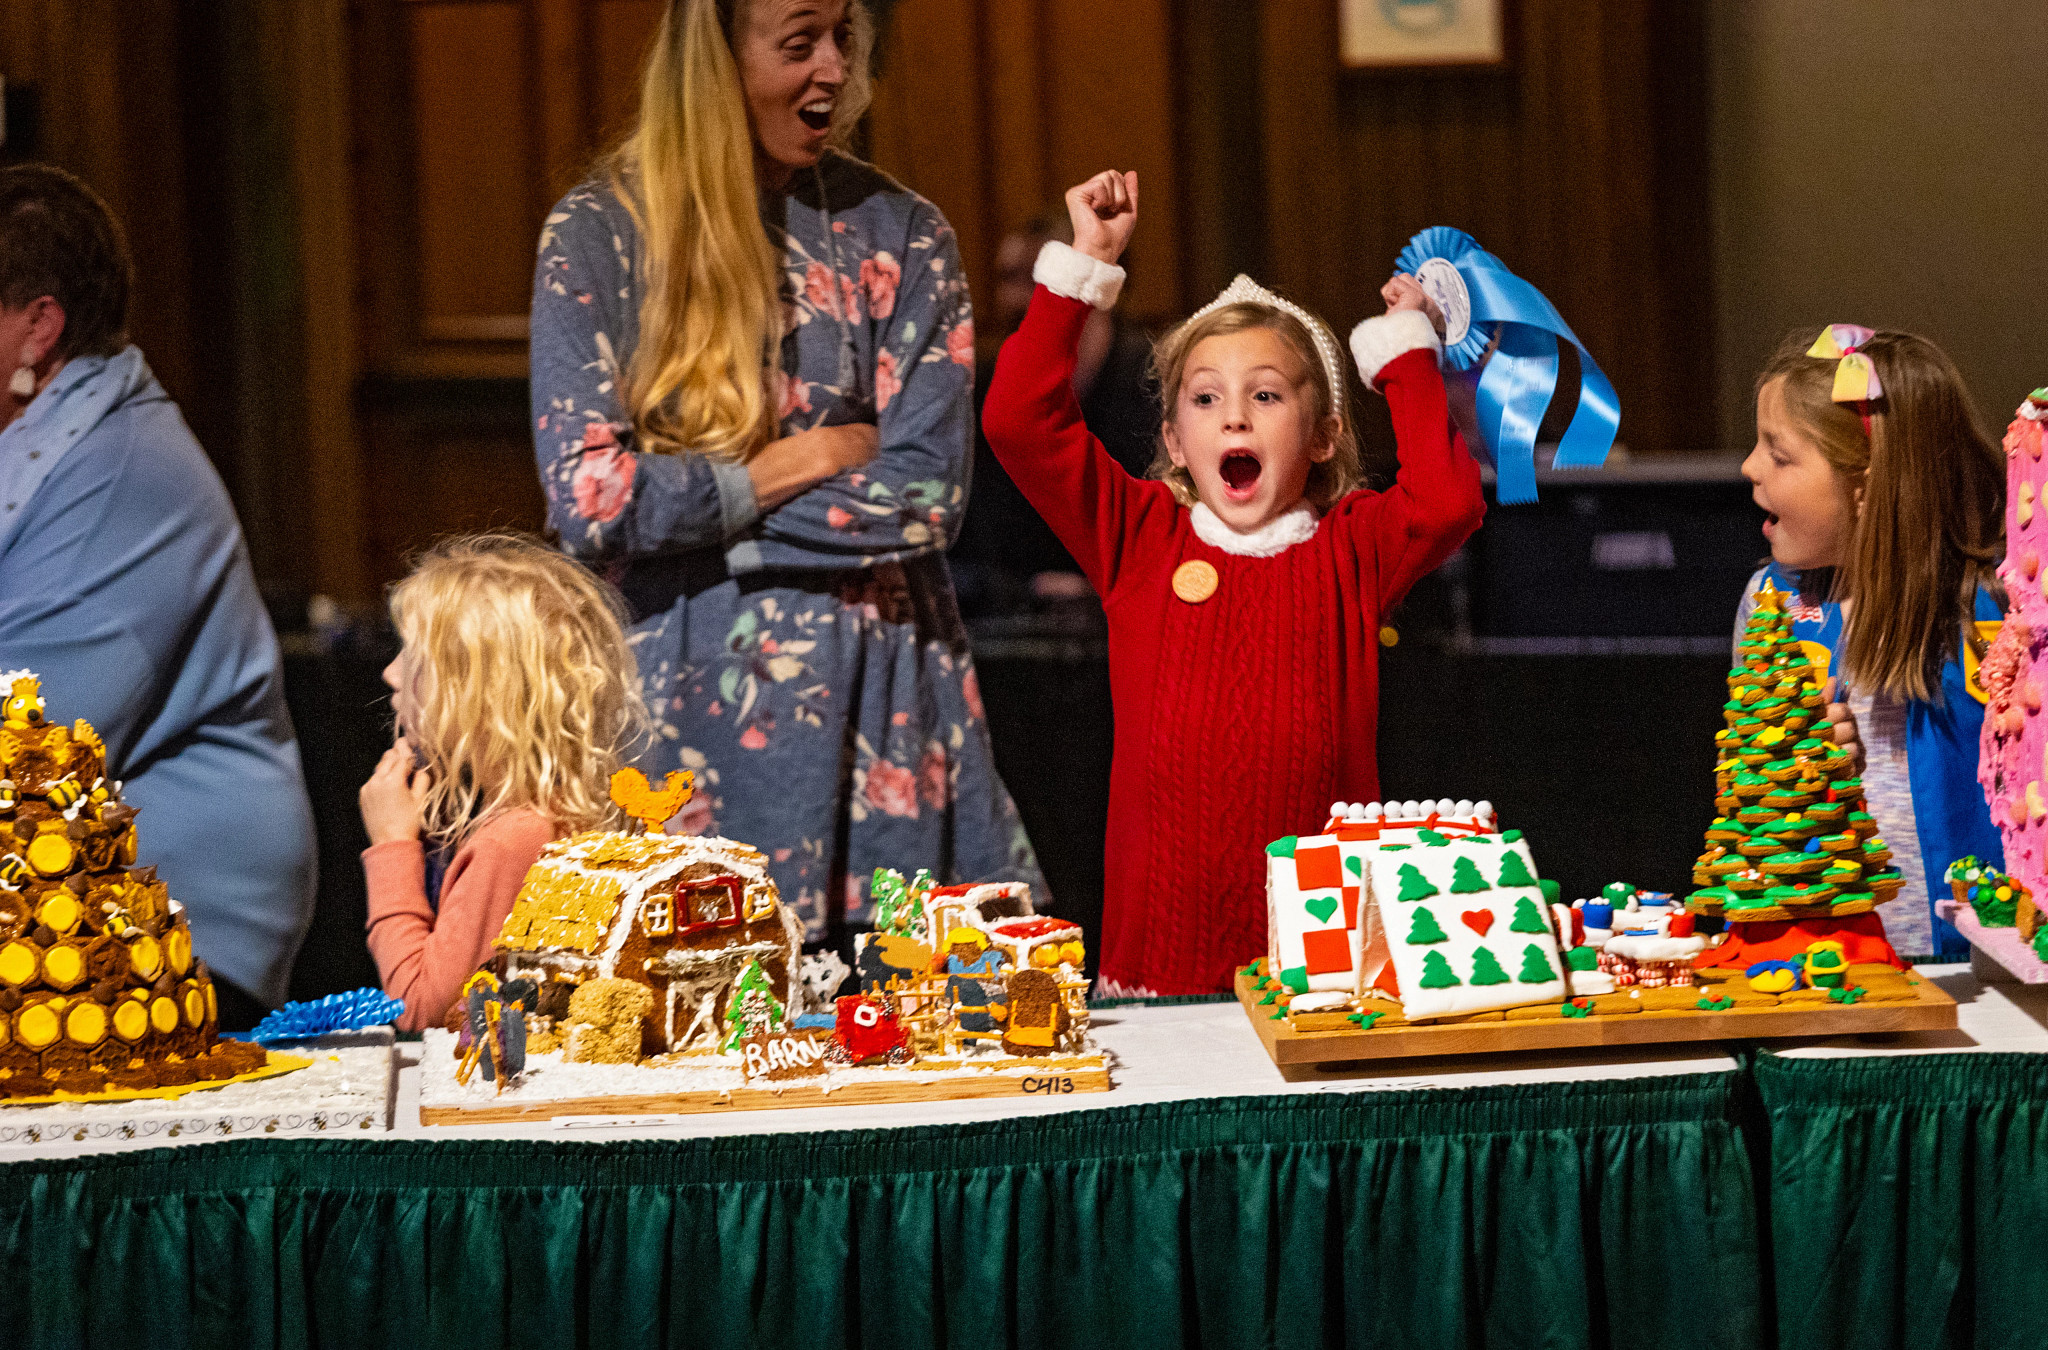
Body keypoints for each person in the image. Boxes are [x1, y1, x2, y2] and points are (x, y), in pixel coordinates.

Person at [529, 0, 1044, 944]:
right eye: (799, 42)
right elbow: (589, 499)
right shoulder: (600, 234)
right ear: (715, 59)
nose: (834, 70)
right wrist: (790, 465)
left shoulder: (901, 234)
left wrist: (687, 519)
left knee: (923, 1049)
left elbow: (928, 498)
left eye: (844, 37)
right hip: (676, 718)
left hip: (880, 702)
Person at [981, 170, 1487, 995]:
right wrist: (1082, 268)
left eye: (1265, 395)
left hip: (1320, 969)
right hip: (1158, 967)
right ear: (1176, 441)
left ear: (1323, 436)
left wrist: (1406, 355)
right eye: (1206, 398)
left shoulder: (1352, 550)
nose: (1235, 418)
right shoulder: (1138, 537)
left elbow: (1448, 500)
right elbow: (1017, 421)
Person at [0, 163, 315, 1027]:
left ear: (38, 329)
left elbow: (35, 735)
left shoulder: (120, 469)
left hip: (171, 926)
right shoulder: (45, 452)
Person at [1735, 325, 2005, 960]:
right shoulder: (1770, 604)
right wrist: (1797, 767)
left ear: (1866, 487)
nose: (1748, 465)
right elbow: (1745, 801)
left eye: (1778, 453)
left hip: (1982, 968)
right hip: (1824, 959)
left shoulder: (1991, 612)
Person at [359, 535, 643, 1031]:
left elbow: (421, 1008)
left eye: (413, 656)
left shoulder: (512, 842)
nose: (390, 673)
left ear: (479, 696)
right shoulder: (543, 820)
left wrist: (391, 845)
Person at [952, 207, 1158, 588]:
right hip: (1009, 614)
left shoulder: (1157, 381)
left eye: (1035, 277)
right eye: (1006, 278)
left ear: (1095, 285)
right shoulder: (976, 387)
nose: (1013, 298)